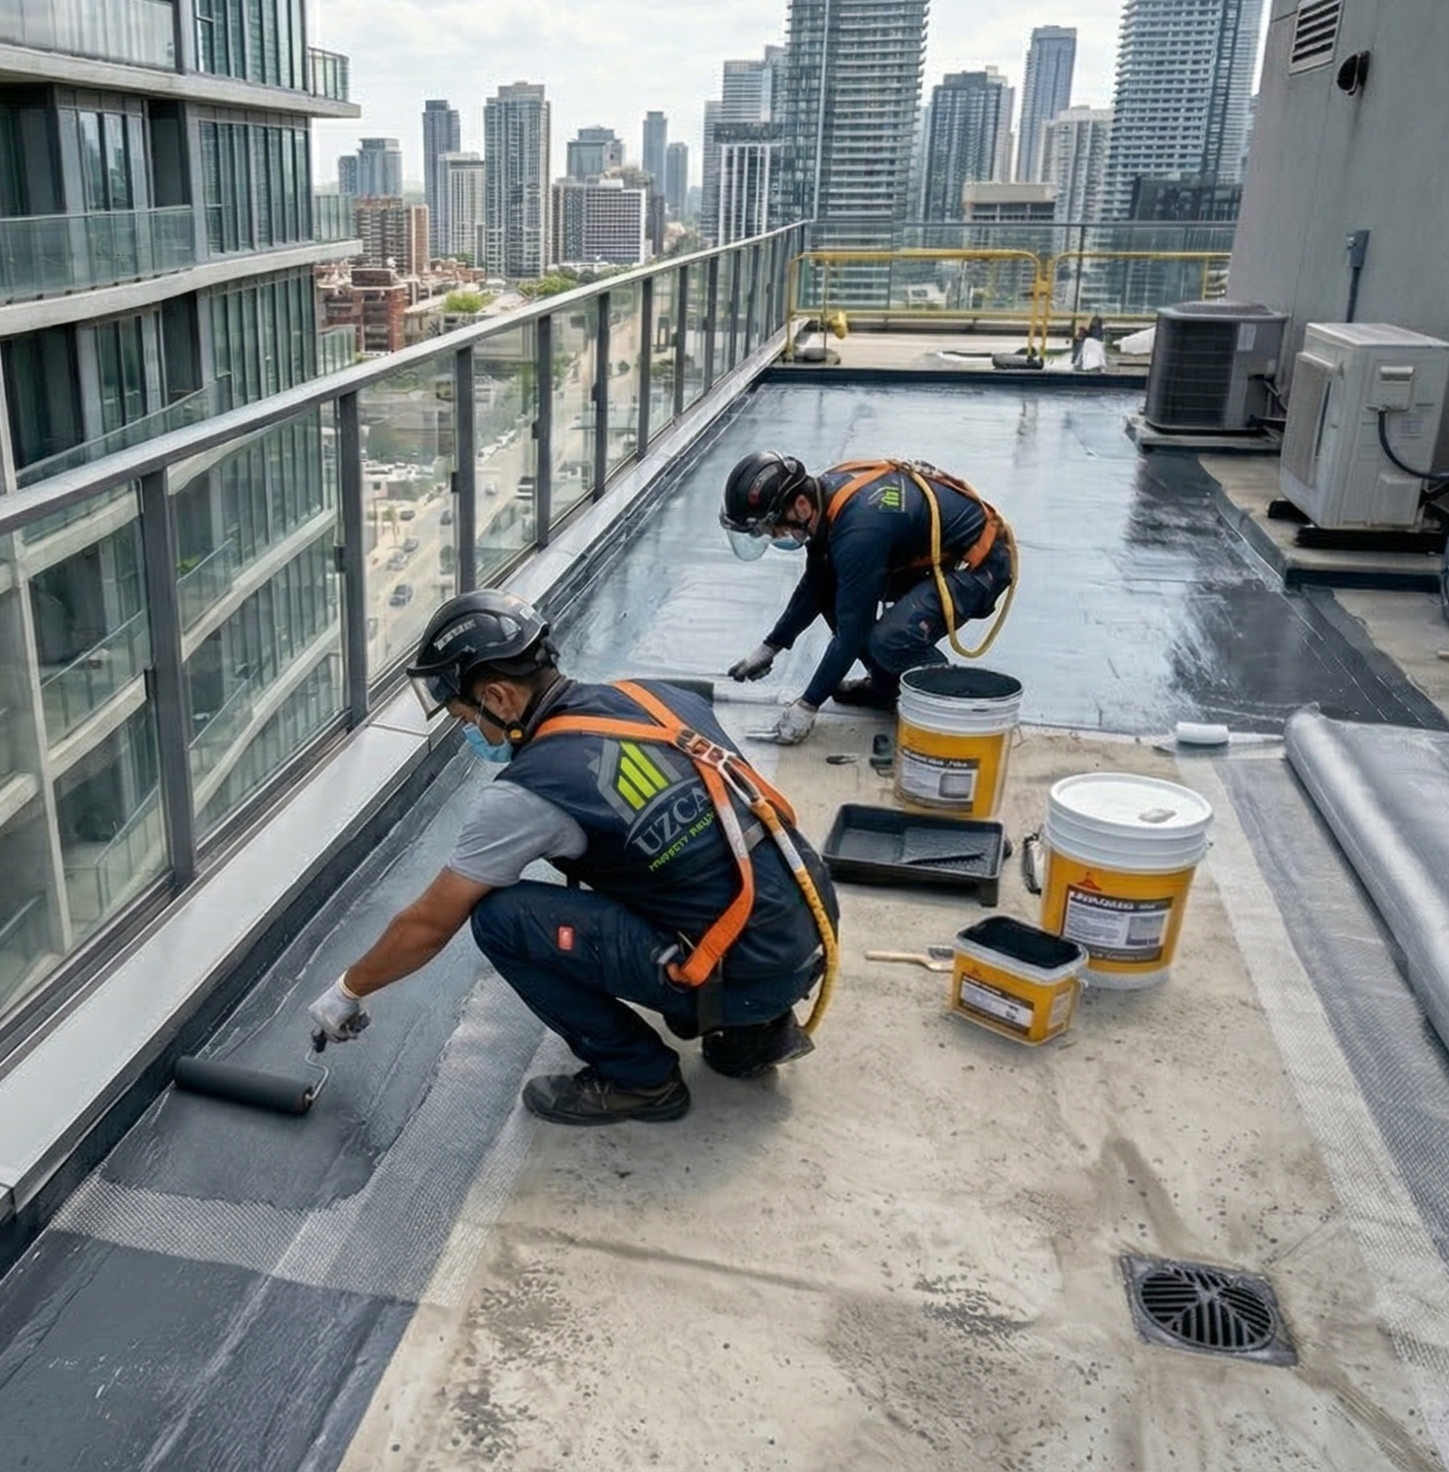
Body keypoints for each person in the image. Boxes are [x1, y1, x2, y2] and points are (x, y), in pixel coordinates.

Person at [306, 590, 836, 1126]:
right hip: (806, 930)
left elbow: (427, 923)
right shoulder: (653, 697)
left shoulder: (530, 791)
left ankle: (641, 1079)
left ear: (501, 698)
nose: (470, 731)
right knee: (675, 861)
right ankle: (758, 1031)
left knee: (500, 919)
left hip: (745, 975)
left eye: (466, 716)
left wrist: (348, 989)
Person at [720, 451, 1016, 744]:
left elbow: (852, 634)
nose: (775, 535)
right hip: (934, 554)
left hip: (980, 566)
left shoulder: (859, 530)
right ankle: (886, 687)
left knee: (888, 640)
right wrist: (771, 646)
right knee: (835, 588)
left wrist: (806, 707)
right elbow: (817, 582)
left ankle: (952, 704)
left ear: (800, 505)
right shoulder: (824, 498)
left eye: (772, 527)